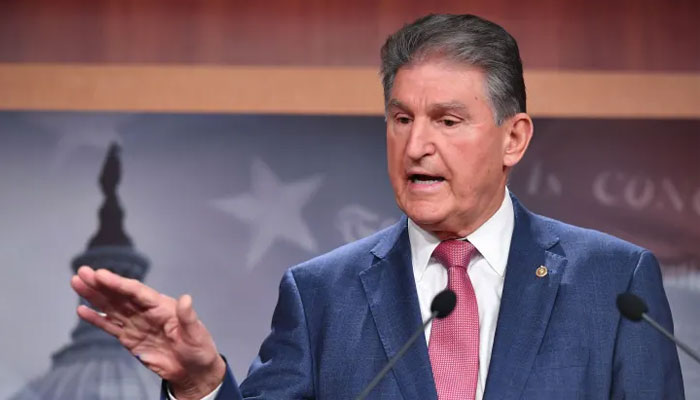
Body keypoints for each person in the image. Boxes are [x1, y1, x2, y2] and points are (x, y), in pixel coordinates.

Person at [70, 14, 684, 400]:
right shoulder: (321, 296)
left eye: (448, 120)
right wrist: (201, 384)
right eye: (401, 118)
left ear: (514, 138)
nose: (416, 145)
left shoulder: (614, 282)